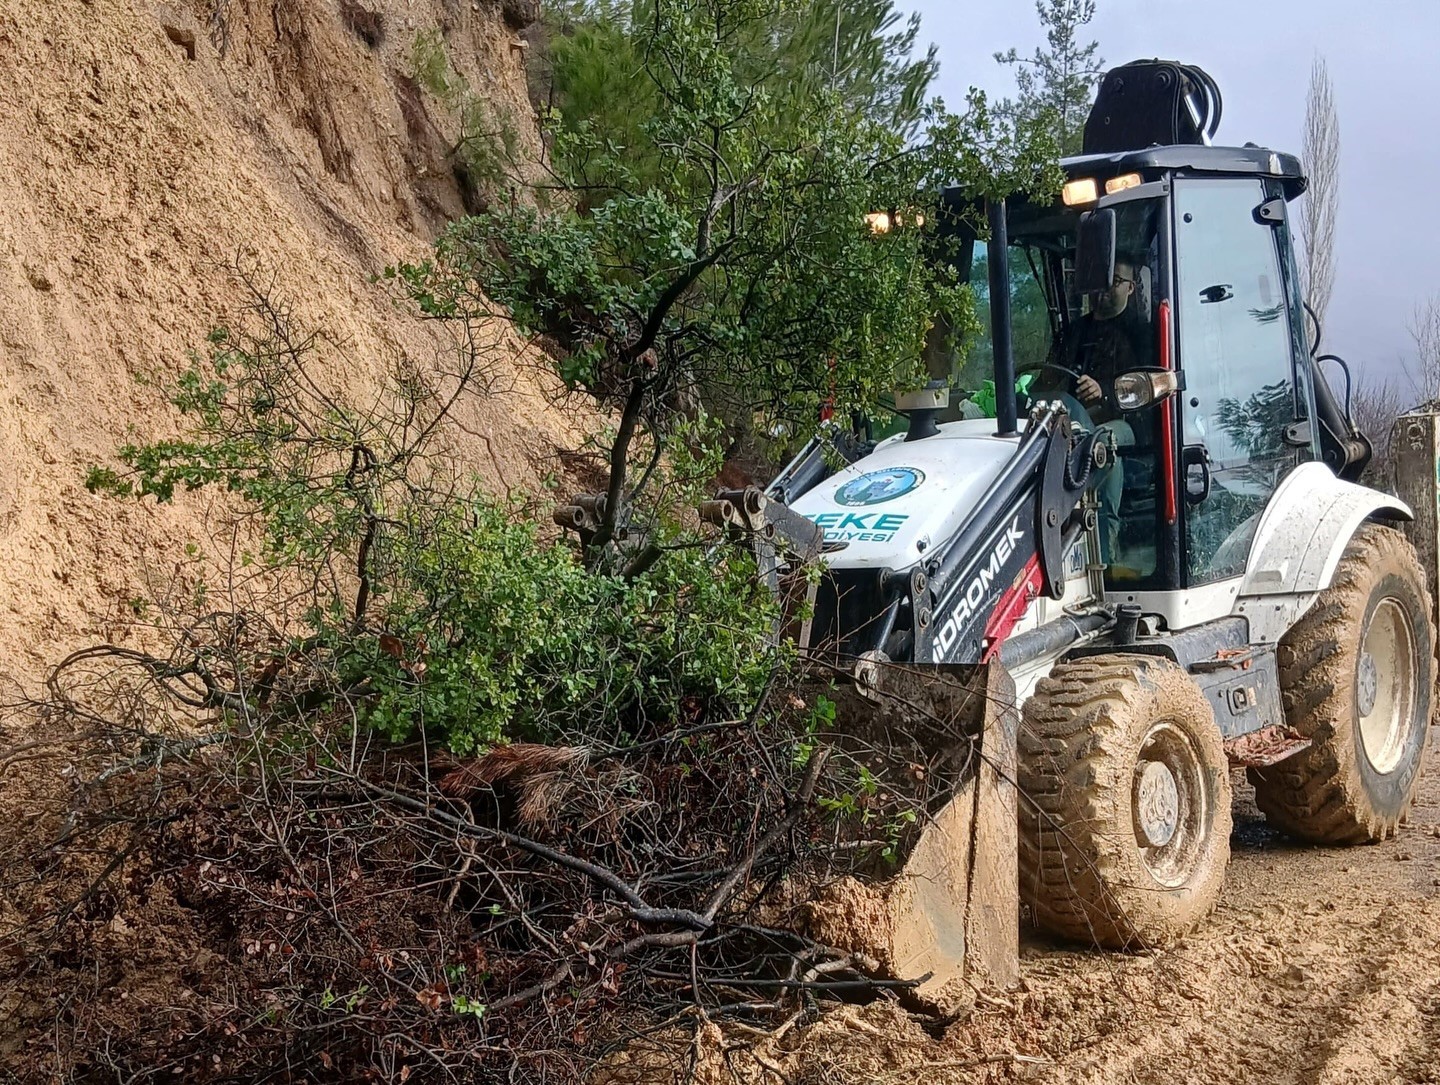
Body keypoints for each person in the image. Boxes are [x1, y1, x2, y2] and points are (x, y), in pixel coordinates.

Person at [1041, 258, 1151, 569]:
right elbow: (1047, 380)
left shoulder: (1142, 334)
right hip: (1072, 422)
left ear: (1131, 288)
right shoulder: (1072, 332)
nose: (1104, 288)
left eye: (1115, 280)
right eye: (1100, 279)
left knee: (1101, 444)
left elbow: (1152, 391)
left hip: (1130, 424)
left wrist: (1104, 390)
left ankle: (1106, 555)